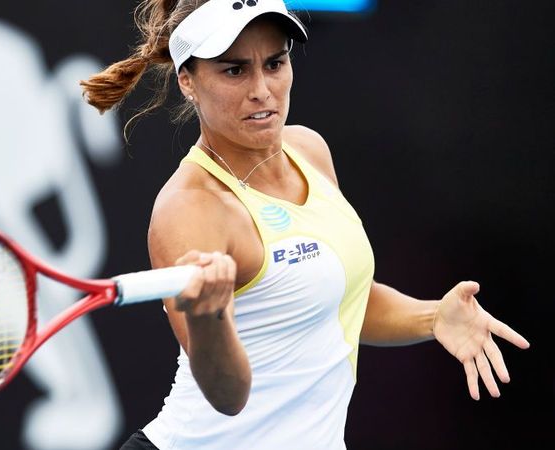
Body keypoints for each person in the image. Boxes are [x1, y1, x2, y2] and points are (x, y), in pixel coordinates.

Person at [81, 0, 531, 448]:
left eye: (275, 63)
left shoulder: (308, 150)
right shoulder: (190, 208)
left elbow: (335, 298)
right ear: (188, 81)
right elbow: (226, 395)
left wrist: (433, 316)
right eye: (234, 70)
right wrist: (209, 318)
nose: (262, 89)